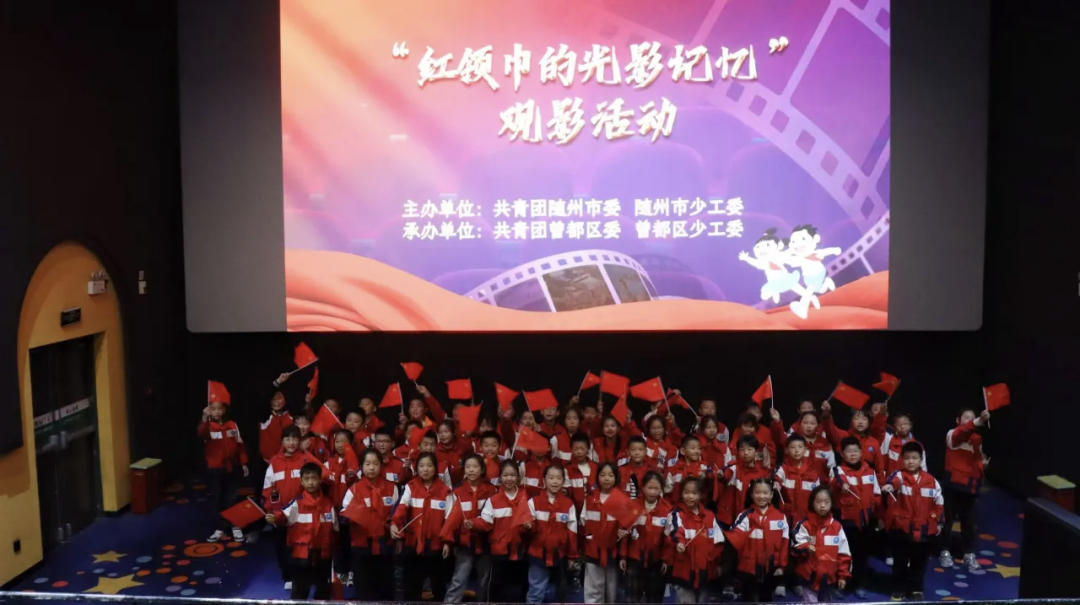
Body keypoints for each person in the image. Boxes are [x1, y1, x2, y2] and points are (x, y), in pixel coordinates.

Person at [881, 442, 944, 601]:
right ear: (902, 459)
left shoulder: (931, 480)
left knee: (919, 563)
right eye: (907, 458)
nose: (910, 461)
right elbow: (893, 482)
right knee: (900, 562)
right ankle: (898, 588)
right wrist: (889, 486)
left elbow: (939, 504)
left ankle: (916, 588)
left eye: (914, 458)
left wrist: (938, 522)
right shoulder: (899, 476)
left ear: (921, 460)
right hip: (902, 530)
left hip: (923, 531)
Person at [266, 462, 338, 600]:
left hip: (323, 556)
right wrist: (274, 517)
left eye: (314, 478)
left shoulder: (328, 505)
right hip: (301, 556)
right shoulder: (296, 503)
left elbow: (335, 530)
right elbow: (283, 515)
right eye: (306, 479)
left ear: (320, 480)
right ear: (301, 481)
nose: (310, 482)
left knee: (323, 590)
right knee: (300, 590)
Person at [263, 426, 322, 590]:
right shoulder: (274, 462)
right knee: (282, 547)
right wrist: (272, 510)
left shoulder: (306, 459)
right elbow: (268, 489)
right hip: (280, 514)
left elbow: (320, 477)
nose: (291, 442)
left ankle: (308, 575)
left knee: (304, 545)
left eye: (295, 438)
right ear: (282, 441)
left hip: (302, 513)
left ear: (299, 440)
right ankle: (288, 576)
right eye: (287, 439)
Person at [391, 452, 453, 602]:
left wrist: (447, 542)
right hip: (413, 544)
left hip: (436, 545)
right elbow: (401, 509)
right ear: (416, 468)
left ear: (435, 468)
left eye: (429, 465)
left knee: (438, 586)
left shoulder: (446, 491)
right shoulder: (410, 487)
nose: (425, 469)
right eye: (421, 466)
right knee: (411, 586)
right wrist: (394, 524)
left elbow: (449, 520)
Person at [341, 448, 399, 600]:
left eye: (375, 464)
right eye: (367, 464)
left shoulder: (392, 489)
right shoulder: (354, 490)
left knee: (386, 589)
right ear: (361, 466)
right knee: (364, 590)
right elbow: (344, 514)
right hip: (361, 546)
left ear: (381, 465)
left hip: (385, 546)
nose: (371, 468)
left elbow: (397, 516)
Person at [442, 454, 497, 603]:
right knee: (458, 580)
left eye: (475, 467)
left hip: (485, 543)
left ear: (482, 469)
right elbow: (449, 520)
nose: (471, 470)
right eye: (468, 467)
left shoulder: (491, 490)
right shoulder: (457, 492)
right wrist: (447, 542)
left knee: (484, 582)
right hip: (464, 544)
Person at [940, 408, 991, 571]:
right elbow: (962, 432)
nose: (969, 420)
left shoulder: (977, 439)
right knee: (947, 520)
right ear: (958, 420)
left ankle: (968, 553)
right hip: (953, 486)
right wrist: (978, 421)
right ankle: (944, 551)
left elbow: (976, 462)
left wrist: (982, 466)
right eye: (966, 417)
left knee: (969, 522)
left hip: (971, 487)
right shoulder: (952, 434)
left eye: (972, 417)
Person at [830, 437, 880, 598]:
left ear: (861, 452)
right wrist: (843, 485)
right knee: (844, 555)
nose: (853, 454)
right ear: (842, 454)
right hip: (846, 521)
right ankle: (842, 585)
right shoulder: (838, 471)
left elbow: (877, 494)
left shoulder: (870, 471)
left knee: (862, 555)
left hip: (865, 521)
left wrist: (877, 514)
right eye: (849, 451)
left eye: (855, 451)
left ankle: (859, 584)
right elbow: (838, 481)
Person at [474, 460, 530, 602]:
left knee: (520, 588)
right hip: (499, 551)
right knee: (496, 588)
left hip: (520, 551)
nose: (509, 479)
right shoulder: (493, 500)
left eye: (512, 475)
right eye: (505, 475)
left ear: (518, 476)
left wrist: (530, 525)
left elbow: (533, 521)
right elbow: (485, 523)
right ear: (500, 477)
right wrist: (472, 523)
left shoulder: (526, 497)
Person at [726, 479, 788, 603]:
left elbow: (784, 544)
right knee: (750, 599)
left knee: (766, 599)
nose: (761, 496)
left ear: (771, 495)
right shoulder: (745, 516)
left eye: (765, 493)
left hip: (771, 569)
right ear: (752, 494)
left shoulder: (780, 517)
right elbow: (734, 536)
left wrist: (782, 566)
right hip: (748, 570)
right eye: (757, 492)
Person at [524, 464, 579, 604]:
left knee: (562, 594)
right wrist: (529, 526)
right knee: (535, 593)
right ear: (544, 480)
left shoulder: (568, 504)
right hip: (538, 555)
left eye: (559, 478)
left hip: (561, 555)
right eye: (551, 478)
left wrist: (572, 556)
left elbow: (572, 533)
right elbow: (526, 531)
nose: (555, 481)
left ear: (563, 481)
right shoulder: (533, 502)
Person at [665, 477, 725, 604]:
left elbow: (718, 542)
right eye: (686, 492)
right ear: (681, 493)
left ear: (700, 495)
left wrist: (718, 564)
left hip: (705, 573)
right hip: (684, 572)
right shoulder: (676, 514)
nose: (690, 496)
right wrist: (679, 543)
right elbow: (675, 531)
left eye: (694, 493)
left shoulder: (710, 516)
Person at [199, 395, 249, 543]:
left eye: (219, 408)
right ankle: (220, 528)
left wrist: (244, 463)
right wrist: (204, 418)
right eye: (213, 409)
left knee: (232, 497)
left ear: (224, 410)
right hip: (215, 469)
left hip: (232, 467)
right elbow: (201, 434)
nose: (217, 412)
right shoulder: (207, 426)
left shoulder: (232, 424)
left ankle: (235, 526)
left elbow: (240, 445)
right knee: (217, 499)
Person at [792, 486, 851, 602]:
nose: (822, 505)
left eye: (826, 502)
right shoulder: (804, 525)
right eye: (818, 502)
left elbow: (844, 554)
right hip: (809, 576)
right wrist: (806, 547)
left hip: (828, 577)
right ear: (812, 503)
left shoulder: (837, 527)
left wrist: (843, 576)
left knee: (826, 602)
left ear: (832, 504)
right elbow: (795, 545)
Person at [622, 471, 672, 604]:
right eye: (649, 487)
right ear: (643, 488)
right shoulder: (632, 506)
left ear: (661, 489)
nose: (652, 492)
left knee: (654, 599)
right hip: (634, 559)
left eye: (656, 488)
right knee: (632, 599)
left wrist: (666, 560)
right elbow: (625, 534)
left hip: (656, 561)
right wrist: (623, 556)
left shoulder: (667, 509)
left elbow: (668, 539)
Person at [581, 463, 624, 603]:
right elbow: (583, 522)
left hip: (613, 551)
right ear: (597, 477)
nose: (606, 479)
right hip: (593, 550)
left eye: (611, 475)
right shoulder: (589, 499)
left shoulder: (621, 500)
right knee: (593, 589)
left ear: (616, 478)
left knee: (611, 590)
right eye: (603, 475)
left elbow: (626, 527)